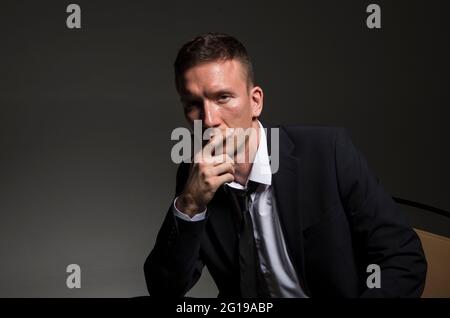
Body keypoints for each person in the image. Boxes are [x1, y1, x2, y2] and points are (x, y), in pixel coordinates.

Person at [144, 32, 427, 297]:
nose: (208, 120)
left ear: (255, 102)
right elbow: (164, 289)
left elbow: (402, 257)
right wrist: (189, 205)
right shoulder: (194, 177)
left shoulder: (327, 152)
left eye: (223, 98)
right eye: (193, 104)